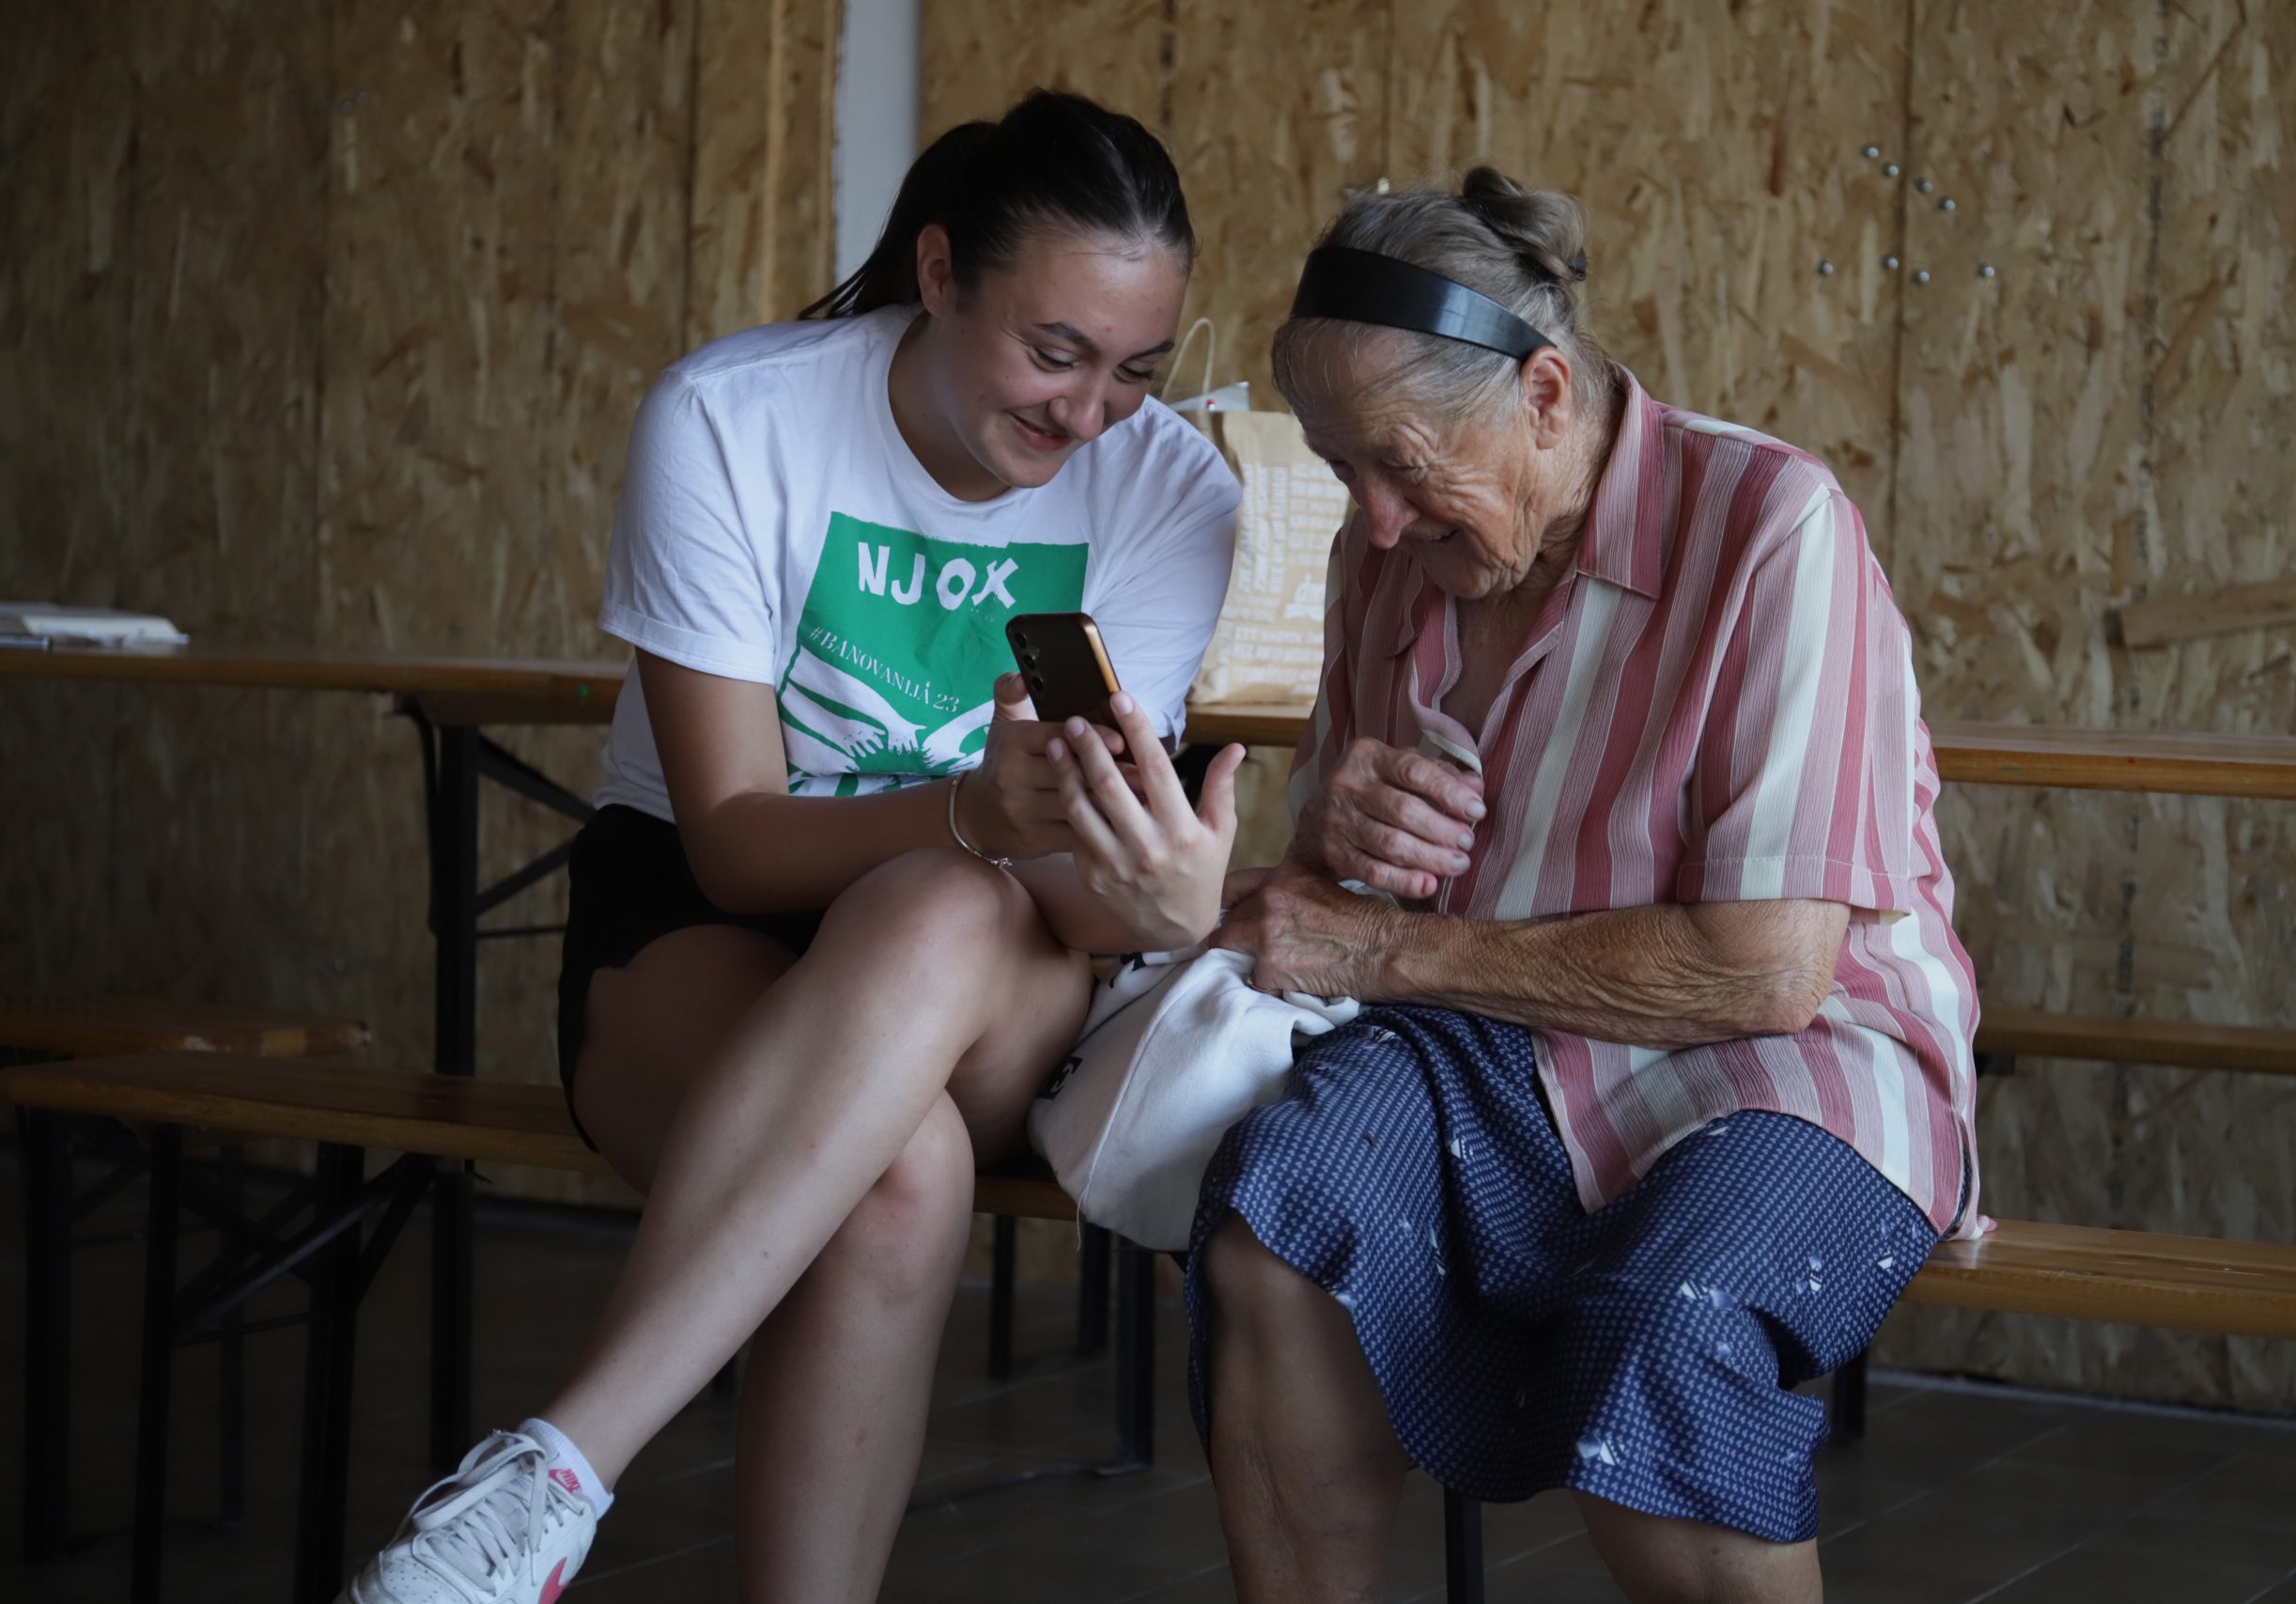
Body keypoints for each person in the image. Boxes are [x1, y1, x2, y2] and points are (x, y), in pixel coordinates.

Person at [338, 90, 1246, 1604]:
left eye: (1138, 370)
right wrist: (968, 812)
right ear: (940, 273)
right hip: (708, 918)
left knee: (944, 910)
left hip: (1003, 962)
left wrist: (1162, 898)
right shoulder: (732, 419)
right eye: (1054, 352)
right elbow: (736, 850)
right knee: (899, 1169)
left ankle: (555, 1477)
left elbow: (1085, 904)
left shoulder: (1170, 490)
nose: (1091, 415)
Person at [1190, 169, 1982, 1604]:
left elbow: (1764, 970)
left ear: (1546, 394)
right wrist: (1343, 832)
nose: (1374, 522)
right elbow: (1332, 896)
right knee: (1273, 1234)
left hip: (1790, 1054)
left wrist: (1382, 950)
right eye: (1339, 468)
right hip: (1491, 1038)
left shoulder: (1770, 526)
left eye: (1401, 464)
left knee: (1666, 1331)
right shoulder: (1395, 551)